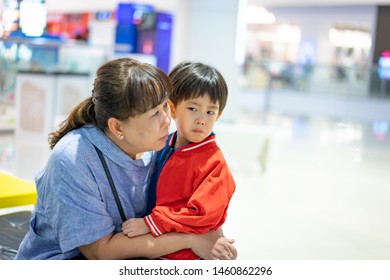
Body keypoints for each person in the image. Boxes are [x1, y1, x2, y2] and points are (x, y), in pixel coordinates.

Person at [15, 58, 237, 260]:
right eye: (154, 114)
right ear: (117, 127)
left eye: (164, 107)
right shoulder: (73, 158)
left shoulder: (158, 146)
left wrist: (210, 234)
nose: (167, 120)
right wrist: (190, 239)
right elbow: (101, 251)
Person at [122, 61, 236, 260]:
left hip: (184, 256)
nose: (202, 119)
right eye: (193, 108)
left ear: (218, 115)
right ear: (172, 109)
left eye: (210, 112)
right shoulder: (164, 143)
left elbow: (202, 214)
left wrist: (151, 223)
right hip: (157, 246)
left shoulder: (214, 164)